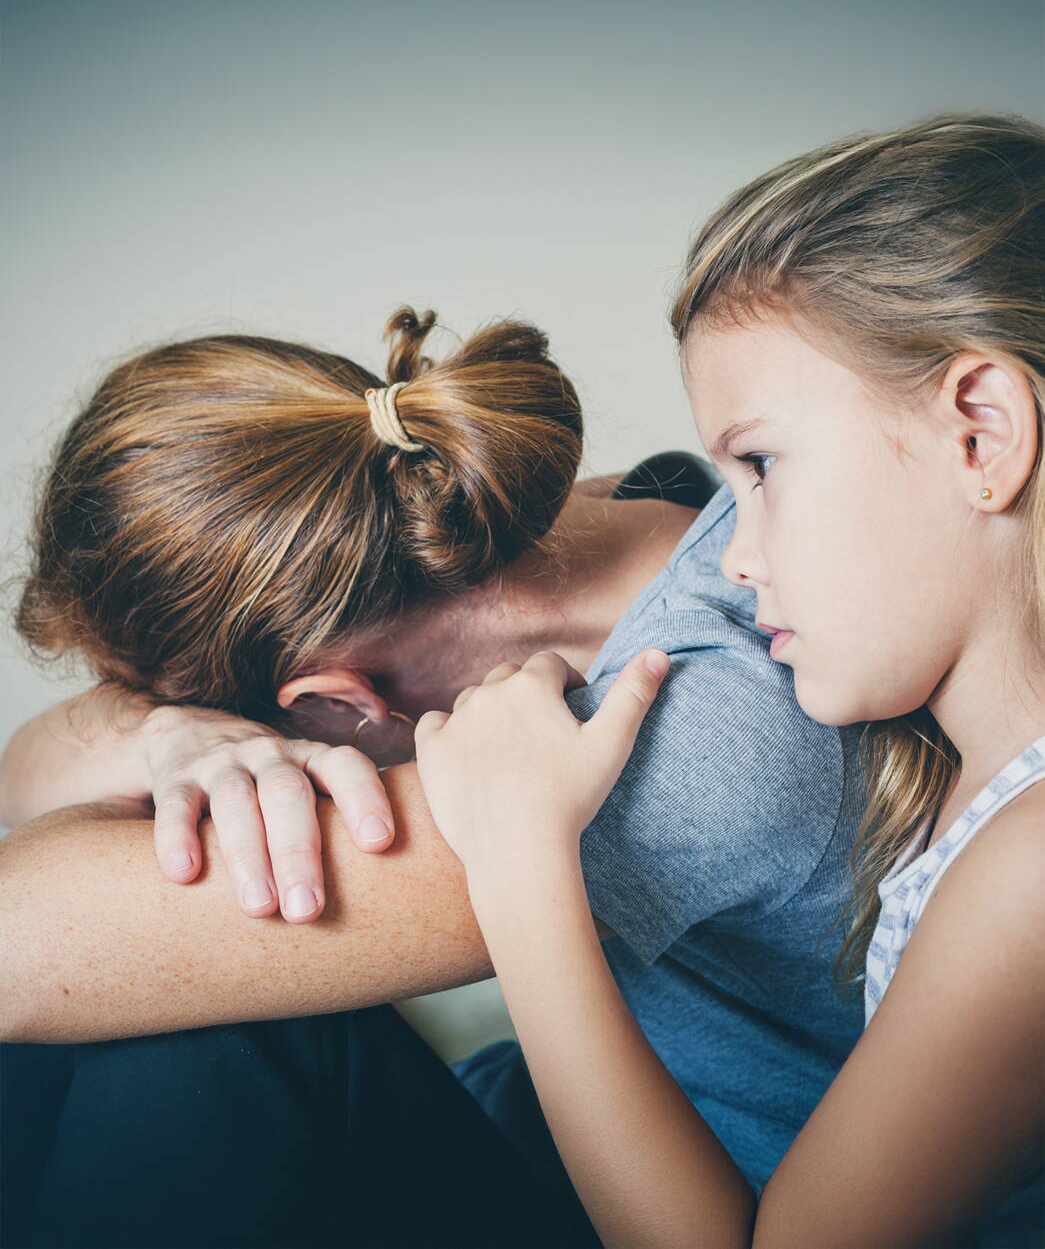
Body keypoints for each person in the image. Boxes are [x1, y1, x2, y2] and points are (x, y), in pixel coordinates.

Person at [0, 310, 866, 1247]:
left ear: (335, 704)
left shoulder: (696, 723)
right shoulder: (616, 507)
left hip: (637, 1200)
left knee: (188, 1039)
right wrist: (173, 736)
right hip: (526, 1123)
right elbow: (21, 774)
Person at [413, 112, 1045, 1249]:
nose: (738, 556)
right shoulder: (960, 780)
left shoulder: (1033, 865)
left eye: (760, 467)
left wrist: (521, 864)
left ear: (982, 435)